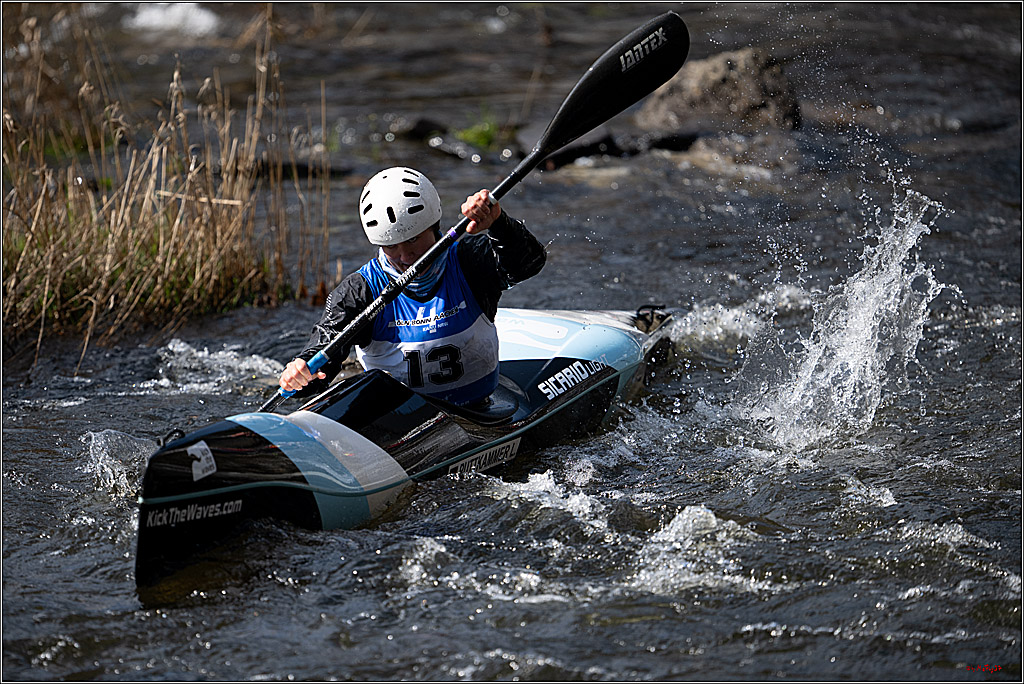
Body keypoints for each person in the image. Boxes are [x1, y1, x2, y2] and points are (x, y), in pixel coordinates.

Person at [278, 166, 546, 406]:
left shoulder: (468, 261)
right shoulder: (360, 291)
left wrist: (499, 223)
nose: (405, 257)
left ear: (434, 227)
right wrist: (302, 373)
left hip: (479, 407)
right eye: (392, 246)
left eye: (414, 240)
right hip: (401, 421)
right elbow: (325, 357)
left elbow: (530, 262)